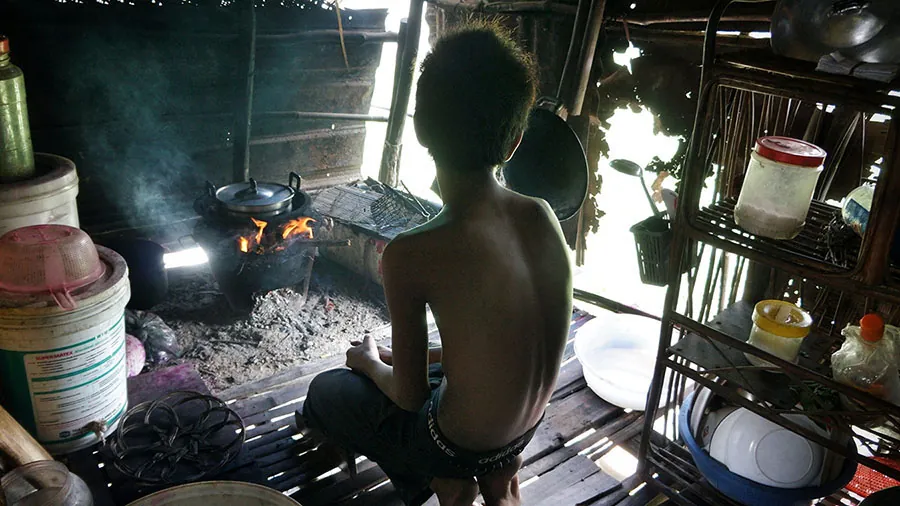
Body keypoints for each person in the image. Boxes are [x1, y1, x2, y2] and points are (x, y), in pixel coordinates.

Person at [301, 21, 573, 506]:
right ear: (513, 144)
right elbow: (498, 346)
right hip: (524, 433)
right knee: (422, 377)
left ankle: (442, 479)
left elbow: (407, 397)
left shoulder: (412, 251)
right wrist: (413, 360)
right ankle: (497, 479)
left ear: (422, 130)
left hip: (454, 443)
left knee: (328, 390)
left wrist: (368, 363)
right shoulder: (542, 217)